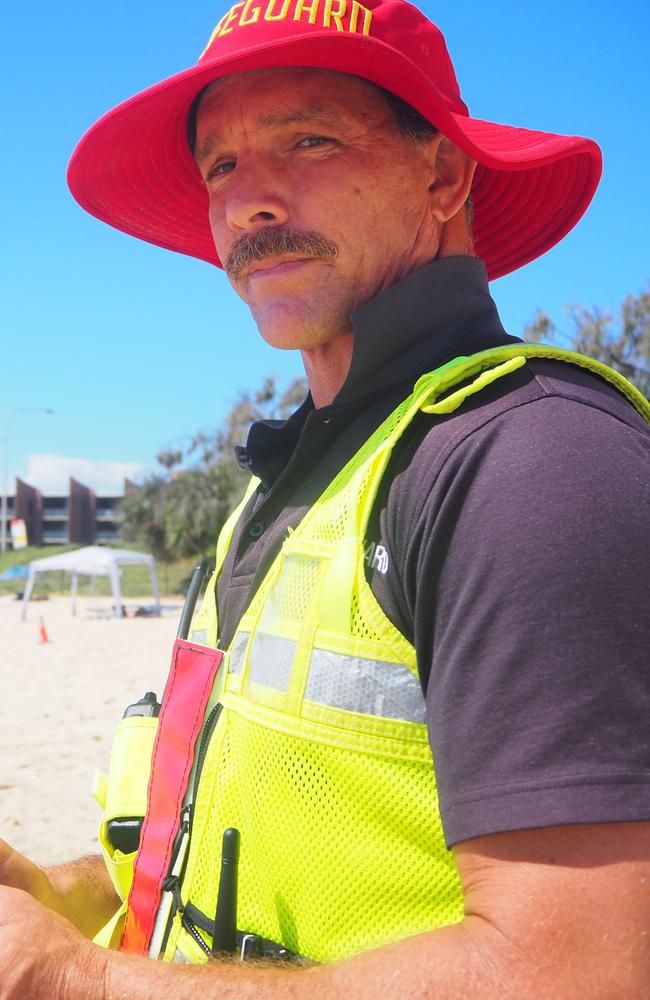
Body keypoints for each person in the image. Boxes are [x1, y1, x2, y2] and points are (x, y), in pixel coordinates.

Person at [2, 1, 650, 996]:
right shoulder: (288, 488)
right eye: (219, 166)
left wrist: (66, 980)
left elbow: (575, 970)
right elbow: (230, 850)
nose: (248, 203)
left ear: (441, 174)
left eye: (306, 140)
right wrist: (58, 891)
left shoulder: (528, 462)